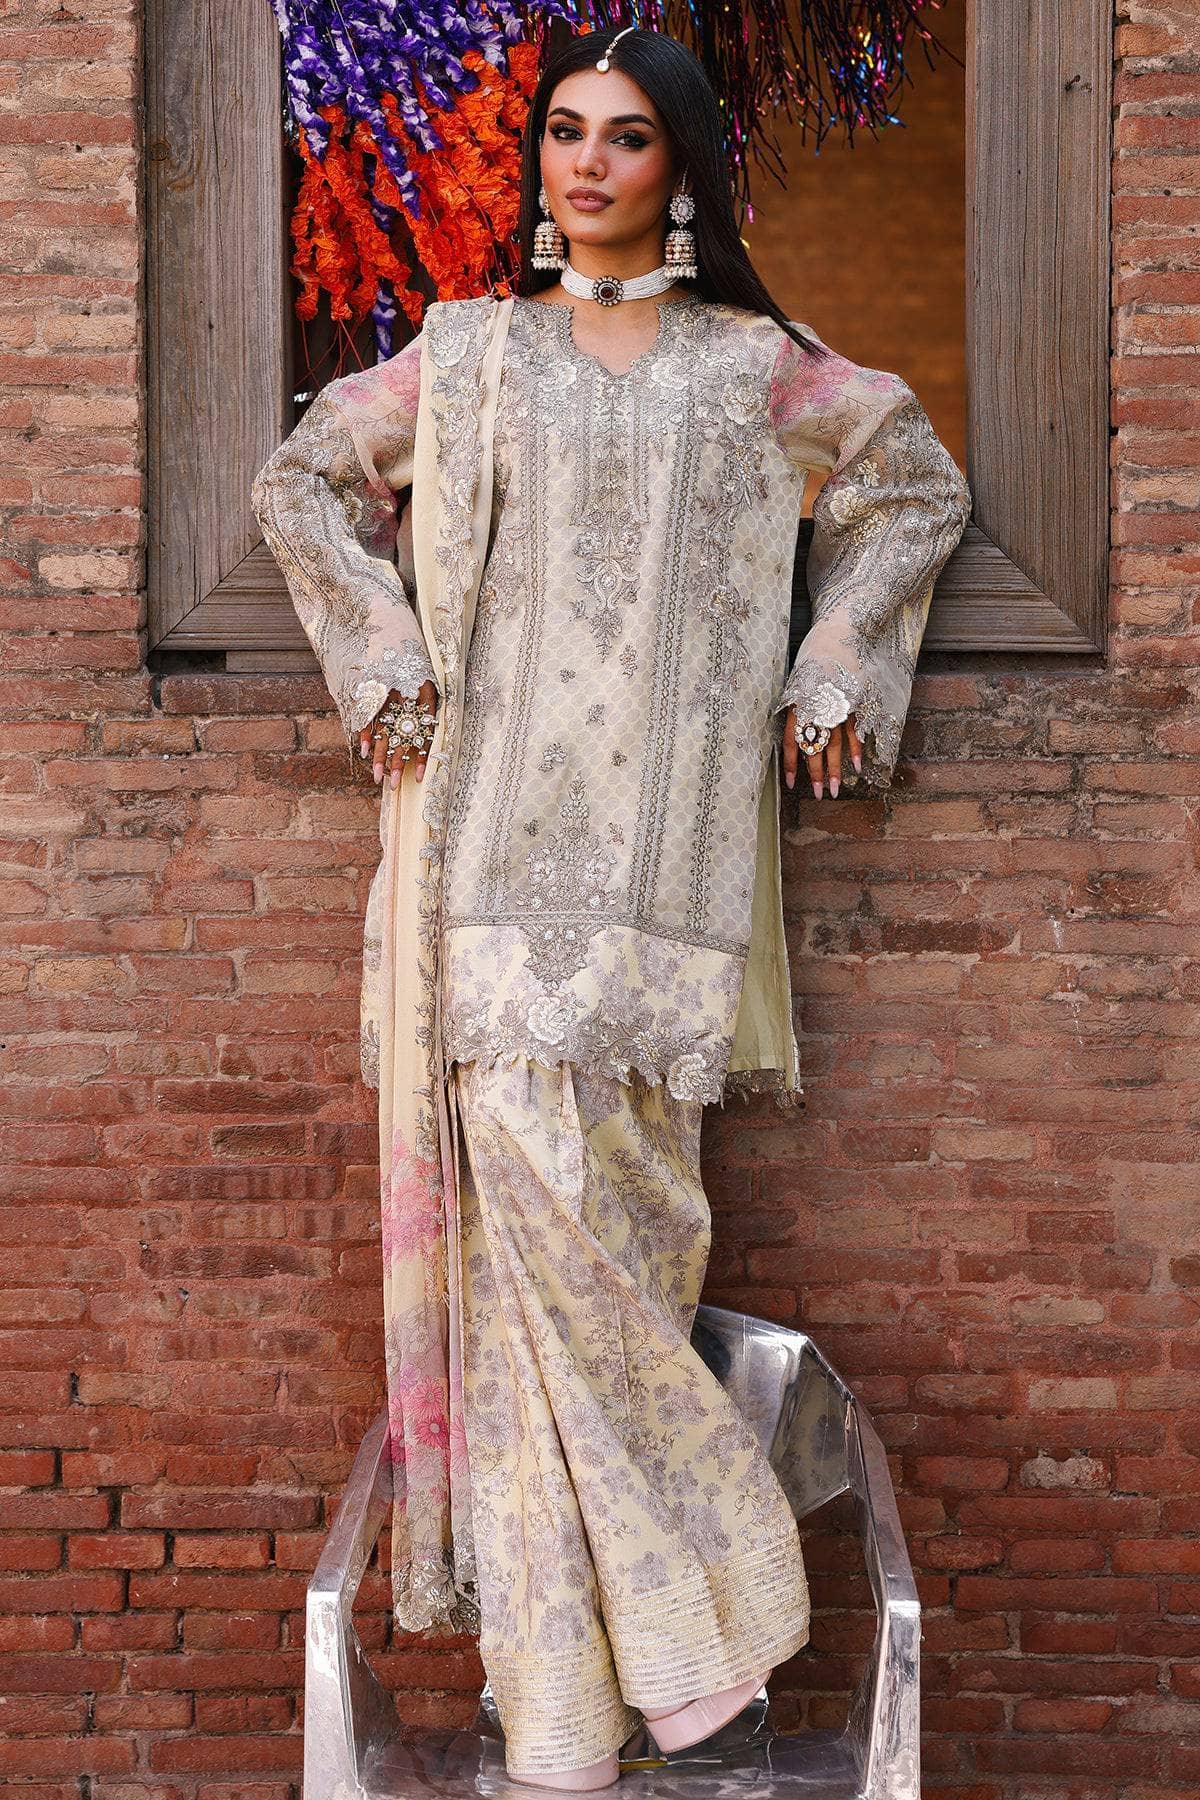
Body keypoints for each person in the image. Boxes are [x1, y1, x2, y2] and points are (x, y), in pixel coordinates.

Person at [252, 22, 971, 1790]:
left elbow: (912, 484)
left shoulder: (752, 370)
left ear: (684, 169)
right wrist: (382, 655)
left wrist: (830, 676)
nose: (585, 163)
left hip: (667, 888)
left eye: (626, 138)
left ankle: (570, 1716)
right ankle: (701, 1642)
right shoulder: (473, 353)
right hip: (488, 870)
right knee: (548, 1266)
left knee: (624, 1259)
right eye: (563, 133)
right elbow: (300, 481)